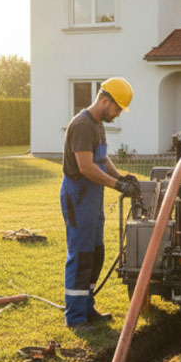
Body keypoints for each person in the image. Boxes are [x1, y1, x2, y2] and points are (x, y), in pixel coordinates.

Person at [60, 77, 141, 329]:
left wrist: (121, 177)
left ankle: (87, 307)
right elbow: (86, 167)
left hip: (93, 197)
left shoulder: (97, 124)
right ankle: (75, 317)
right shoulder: (83, 125)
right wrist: (117, 185)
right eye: (117, 109)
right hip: (78, 195)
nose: (117, 114)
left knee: (96, 253)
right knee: (81, 254)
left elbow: (102, 160)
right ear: (105, 101)